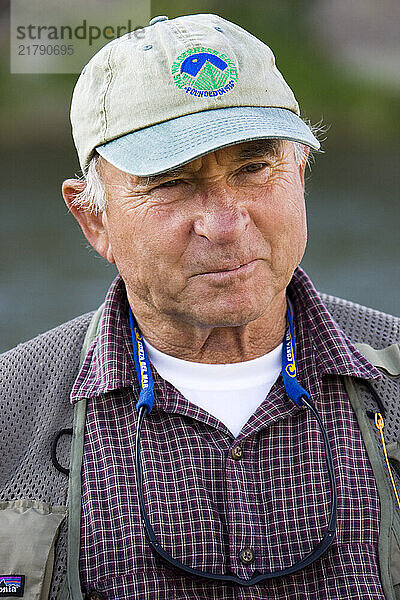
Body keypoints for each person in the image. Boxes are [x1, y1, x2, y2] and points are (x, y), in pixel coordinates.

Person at [1, 13, 399, 600]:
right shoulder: (13, 408)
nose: (225, 223)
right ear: (94, 219)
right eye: (171, 183)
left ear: (301, 176)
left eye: (254, 167)